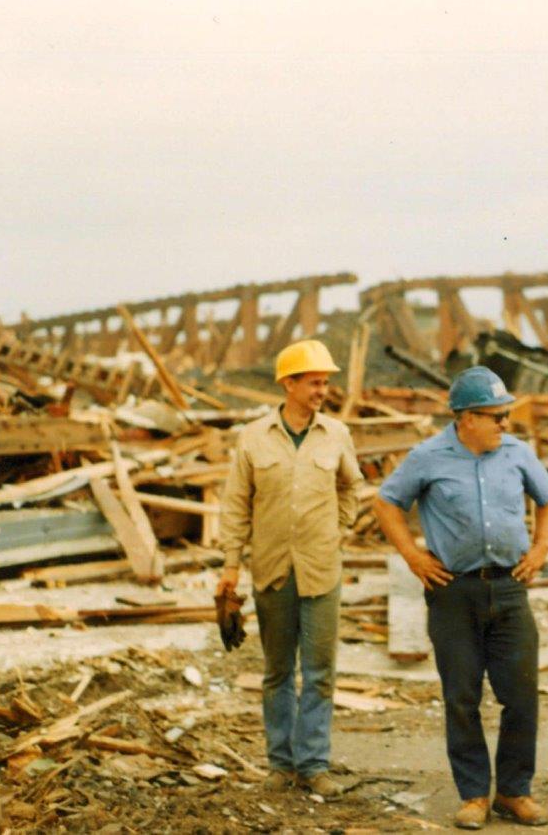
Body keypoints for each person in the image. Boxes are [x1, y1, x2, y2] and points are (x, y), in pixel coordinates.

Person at [373, 366, 548, 830]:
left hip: (510, 588)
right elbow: (387, 502)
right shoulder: (427, 456)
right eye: (496, 416)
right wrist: (414, 558)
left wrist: (539, 550)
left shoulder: (518, 453)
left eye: (506, 415)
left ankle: (515, 793)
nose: (505, 424)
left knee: (520, 695)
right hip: (453, 592)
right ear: (466, 418)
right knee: (461, 696)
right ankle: (474, 794)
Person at [216, 339, 363, 799]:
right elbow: (237, 503)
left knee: (319, 670)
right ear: (289, 384)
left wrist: (335, 531)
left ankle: (314, 766)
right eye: (315, 382)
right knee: (278, 671)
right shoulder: (254, 437)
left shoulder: (336, 434)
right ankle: (281, 766)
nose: (323, 390)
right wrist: (230, 566)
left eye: (325, 382)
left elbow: (351, 488)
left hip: (321, 569)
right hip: (272, 569)